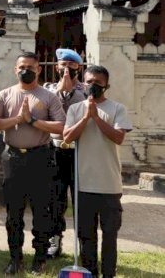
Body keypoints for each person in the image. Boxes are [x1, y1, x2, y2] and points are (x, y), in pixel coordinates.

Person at [0, 52, 66, 275]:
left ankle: (39, 258)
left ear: (38, 70)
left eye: (31, 67)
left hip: (40, 158)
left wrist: (33, 121)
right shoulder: (4, 95)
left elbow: (62, 126)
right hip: (13, 158)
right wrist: (17, 119)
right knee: (13, 213)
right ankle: (15, 258)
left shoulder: (48, 97)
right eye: (22, 67)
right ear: (15, 70)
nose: (26, 70)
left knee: (41, 212)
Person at [63, 65, 132, 278]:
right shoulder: (75, 109)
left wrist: (97, 117)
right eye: (89, 82)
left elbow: (119, 137)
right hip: (84, 184)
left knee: (110, 235)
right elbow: (67, 138)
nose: (93, 86)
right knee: (86, 236)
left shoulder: (117, 108)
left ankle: (109, 274)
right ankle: (89, 273)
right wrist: (85, 118)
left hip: (109, 185)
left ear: (106, 86)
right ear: (83, 83)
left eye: (98, 83)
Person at [44, 48, 86, 258]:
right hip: (56, 150)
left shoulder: (86, 91)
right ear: (56, 67)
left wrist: (70, 93)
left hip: (79, 152)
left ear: (79, 68)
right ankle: (55, 240)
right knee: (55, 198)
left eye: (72, 66)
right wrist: (61, 93)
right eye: (63, 66)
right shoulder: (48, 89)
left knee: (81, 200)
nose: (67, 70)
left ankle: (83, 244)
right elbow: (51, 114)